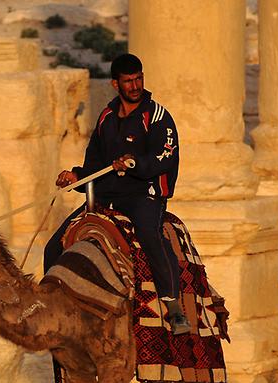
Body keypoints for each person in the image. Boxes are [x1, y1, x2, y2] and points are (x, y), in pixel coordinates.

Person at [45, 53, 190, 334]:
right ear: (115, 84)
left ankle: (173, 306)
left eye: (138, 79)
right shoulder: (106, 118)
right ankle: (50, 303)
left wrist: (135, 163)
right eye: (128, 81)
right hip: (108, 194)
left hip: (144, 194)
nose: (135, 86)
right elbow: (95, 163)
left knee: (150, 235)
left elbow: (166, 156)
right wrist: (76, 176)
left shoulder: (158, 116)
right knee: (55, 244)